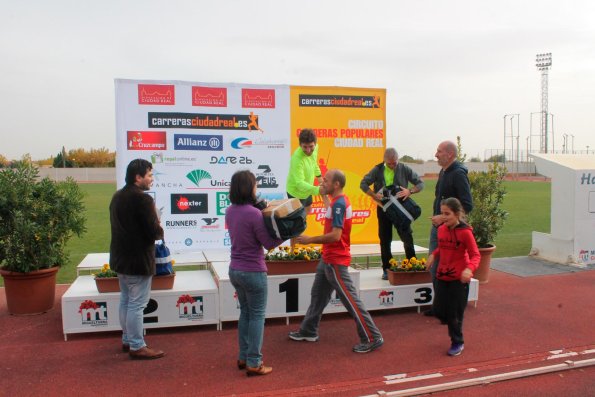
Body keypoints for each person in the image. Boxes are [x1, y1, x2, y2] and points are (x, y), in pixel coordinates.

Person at [289, 169, 384, 353]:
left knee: (350, 299)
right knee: (318, 296)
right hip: (329, 258)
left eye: (325, 181)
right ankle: (308, 330)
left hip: (335, 260)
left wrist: (310, 240)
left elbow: (335, 235)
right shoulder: (337, 202)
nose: (322, 183)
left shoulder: (339, 204)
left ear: (336, 184)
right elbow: (331, 218)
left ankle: (372, 337)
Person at [226, 170, 284, 376]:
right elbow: (268, 243)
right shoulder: (254, 213)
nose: (256, 189)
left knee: (246, 313)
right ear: (249, 188)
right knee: (257, 316)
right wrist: (285, 235)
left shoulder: (230, 210)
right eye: (255, 185)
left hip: (235, 269)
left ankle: (244, 357)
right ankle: (254, 361)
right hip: (253, 271)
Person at [109, 159, 165, 360]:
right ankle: (136, 345)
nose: (151, 179)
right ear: (138, 177)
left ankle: (128, 339)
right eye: (149, 175)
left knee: (126, 300)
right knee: (136, 304)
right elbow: (154, 232)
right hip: (137, 260)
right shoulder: (143, 200)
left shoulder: (117, 196)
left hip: (120, 259)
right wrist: (159, 227)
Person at [426, 197, 480, 356]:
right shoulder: (441, 229)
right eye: (442, 213)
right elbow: (442, 247)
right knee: (437, 310)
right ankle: (450, 321)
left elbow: (475, 255)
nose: (443, 217)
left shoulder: (465, 233)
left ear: (457, 214)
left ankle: (457, 342)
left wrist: (469, 269)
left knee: (455, 314)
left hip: (459, 279)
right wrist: (433, 255)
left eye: (447, 214)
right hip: (442, 276)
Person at [360, 148, 425, 280]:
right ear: (384, 160)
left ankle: (413, 266)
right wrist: (373, 195)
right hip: (384, 209)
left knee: (407, 237)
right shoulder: (377, 170)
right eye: (389, 163)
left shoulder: (404, 168)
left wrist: (410, 191)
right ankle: (387, 269)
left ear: (398, 159)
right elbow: (363, 183)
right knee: (385, 239)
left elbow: (420, 183)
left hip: (401, 209)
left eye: (394, 163)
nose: (392, 165)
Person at [426, 141, 473, 317]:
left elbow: (467, 204)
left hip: (452, 232)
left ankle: (450, 309)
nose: (436, 154)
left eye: (439, 151)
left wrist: (444, 218)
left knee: (448, 269)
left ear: (450, 154)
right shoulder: (443, 171)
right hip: (438, 228)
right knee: (435, 268)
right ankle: (440, 306)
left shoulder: (458, 174)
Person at [286, 128, 324, 215]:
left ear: (315, 143)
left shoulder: (316, 148)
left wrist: (319, 178)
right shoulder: (296, 159)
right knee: (297, 222)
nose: (308, 150)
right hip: (295, 193)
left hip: (308, 189)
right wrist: (318, 190)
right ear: (300, 145)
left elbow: (314, 163)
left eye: (311, 146)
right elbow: (299, 183)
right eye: (305, 147)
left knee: (308, 210)